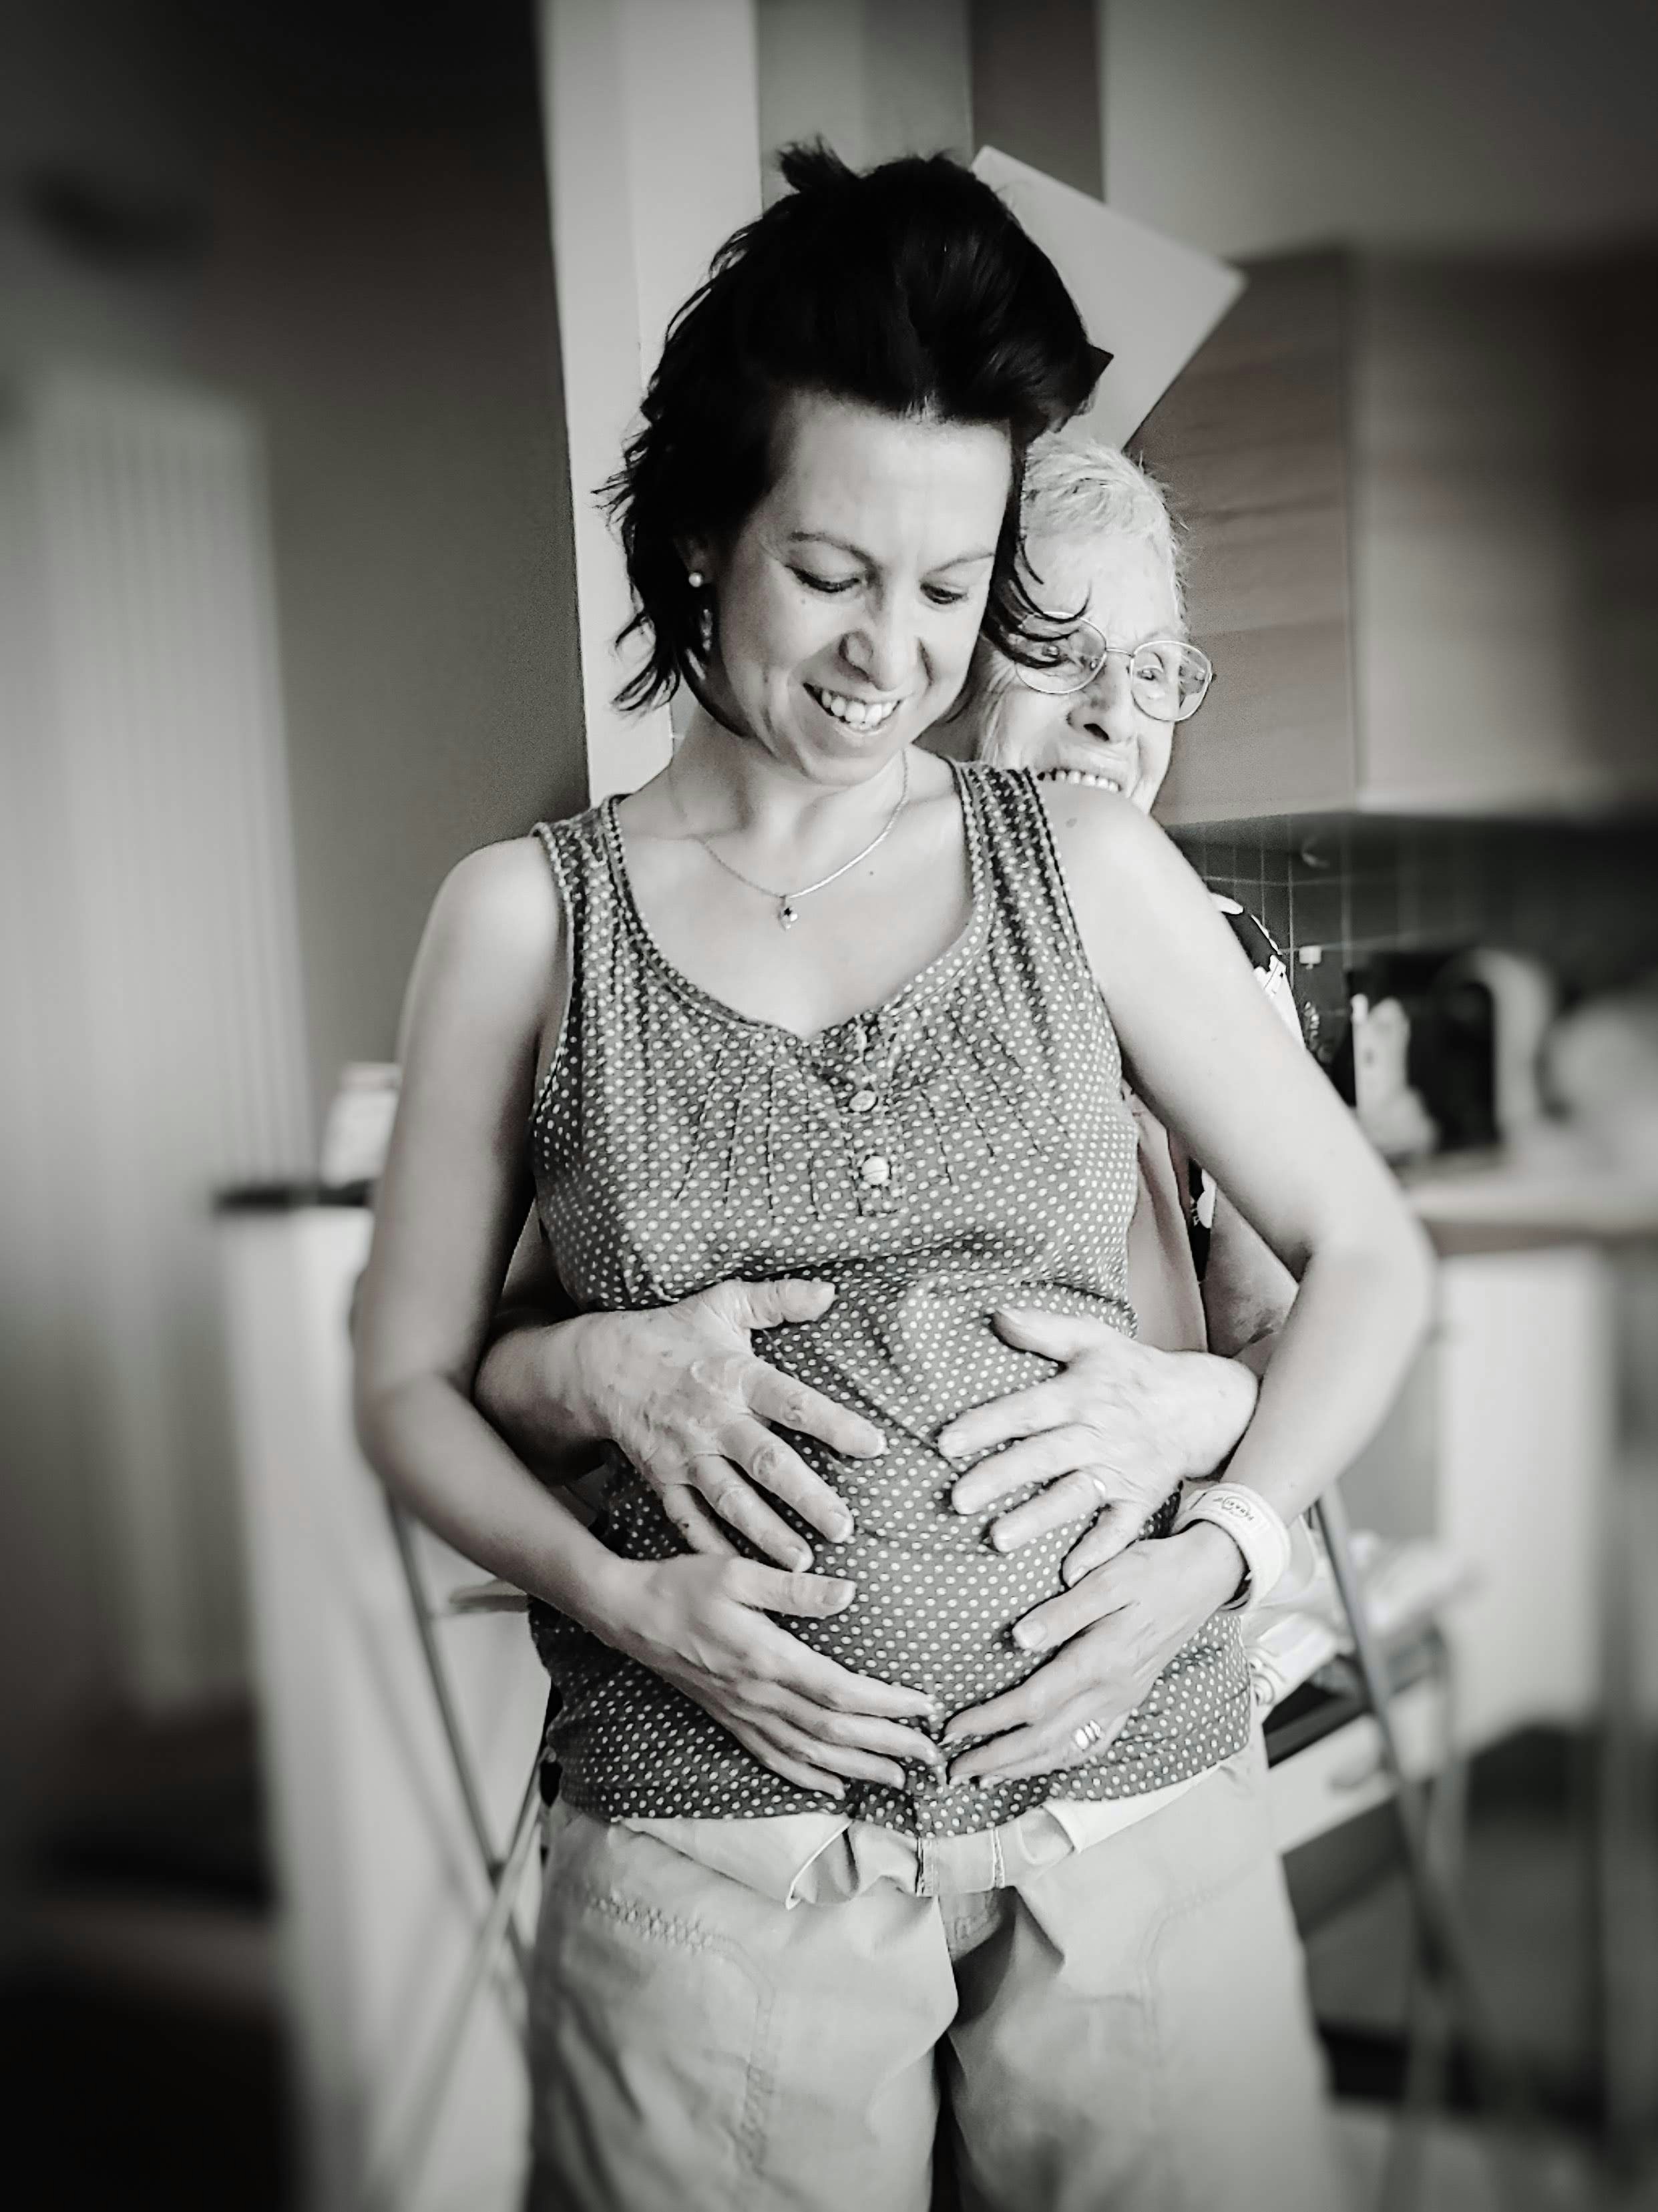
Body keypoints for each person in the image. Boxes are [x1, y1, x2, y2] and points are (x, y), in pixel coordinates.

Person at [354, 146, 1433, 2212]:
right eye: (831, 575)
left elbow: (1365, 1253)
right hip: (708, 1850)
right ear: (699, 532)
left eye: (950, 594)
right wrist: (625, 1596)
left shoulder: (1085, 869)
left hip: (1132, 1812)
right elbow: (412, 1376)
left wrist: (1218, 1549)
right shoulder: (524, 919)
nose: (888, 658)